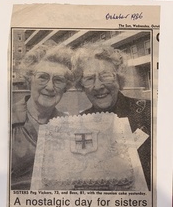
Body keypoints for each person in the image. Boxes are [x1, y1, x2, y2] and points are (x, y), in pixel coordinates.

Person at [72, 42, 151, 190]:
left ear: (119, 79)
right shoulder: (78, 124)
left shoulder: (148, 112)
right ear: (81, 85)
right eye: (89, 78)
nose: (98, 86)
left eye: (106, 76)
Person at [11, 43, 73, 190]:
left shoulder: (69, 126)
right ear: (29, 79)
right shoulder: (7, 120)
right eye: (42, 77)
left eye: (58, 80)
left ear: (66, 87)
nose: (50, 87)